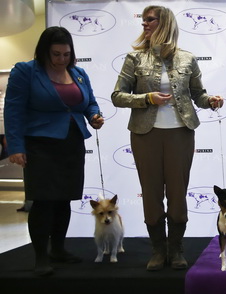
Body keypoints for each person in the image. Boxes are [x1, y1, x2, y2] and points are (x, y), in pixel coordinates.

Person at [111, 6, 223, 271]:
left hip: (180, 133)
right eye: (143, 20)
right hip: (145, 135)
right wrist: (147, 98)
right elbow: (117, 96)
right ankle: (158, 250)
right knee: (150, 193)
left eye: (149, 20)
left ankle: (176, 249)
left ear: (165, 24)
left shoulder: (188, 59)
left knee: (177, 193)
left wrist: (211, 101)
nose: (144, 24)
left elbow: (198, 94)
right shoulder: (134, 58)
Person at [4, 26, 104, 276]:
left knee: (64, 199)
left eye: (66, 54)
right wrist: (16, 146)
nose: (61, 59)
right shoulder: (25, 71)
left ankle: (58, 250)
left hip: (71, 143)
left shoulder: (78, 73)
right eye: (56, 54)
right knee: (43, 201)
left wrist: (93, 115)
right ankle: (40, 257)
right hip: (40, 145)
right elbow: (13, 110)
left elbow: (89, 101)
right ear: (44, 52)